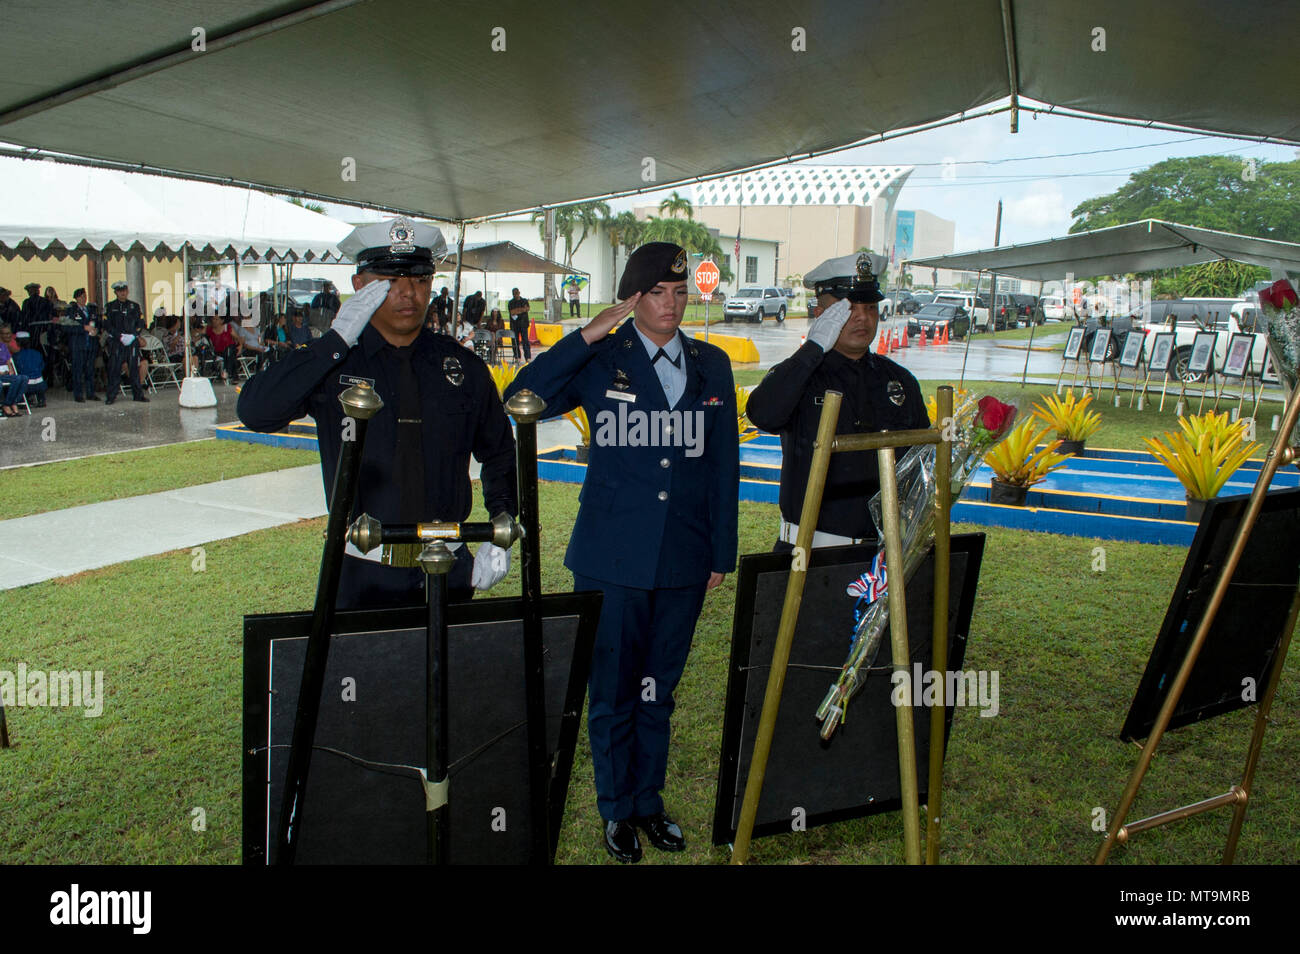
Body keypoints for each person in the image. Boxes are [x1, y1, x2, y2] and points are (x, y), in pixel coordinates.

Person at [505, 241, 738, 863]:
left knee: (658, 689)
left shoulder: (712, 364)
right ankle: (615, 813)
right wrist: (585, 334)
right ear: (632, 299)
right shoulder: (602, 358)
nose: (671, 305)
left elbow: (723, 465)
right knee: (611, 692)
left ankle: (648, 804)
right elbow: (522, 398)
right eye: (657, 294)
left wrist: (722, 550)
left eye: (680, 292)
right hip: (611, 558)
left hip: (685, 558)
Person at [238, 216, 518, 610]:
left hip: (448, 571)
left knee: (454, 672)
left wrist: (500, 524)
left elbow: (500, 452)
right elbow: (255, 411)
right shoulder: (333, 365)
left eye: (420, 279)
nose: (409, 293)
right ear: (360, 285)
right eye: (390, 280)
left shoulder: (460, 367)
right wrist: (335, 340)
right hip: (362, 574)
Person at [747, 253, 928, 551]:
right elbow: (763, 413)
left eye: (870, 307)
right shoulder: (800, 375)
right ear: (821, 314)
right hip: (809, 553)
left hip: (882, 558)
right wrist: (814, 347)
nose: (862, 317)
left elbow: (918, 467)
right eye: (847, 309)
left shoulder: (898, 381)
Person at [103, 280, 148, 404]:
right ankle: (111, 396)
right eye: (119, 291)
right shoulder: (110, 307)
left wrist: (134, 336)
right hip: (117, 341)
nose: (122, 293)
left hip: (132, 341)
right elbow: (107, 325)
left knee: (134, 368)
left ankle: (138, 395)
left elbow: (141, 323)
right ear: (116, 292)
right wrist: (119, 336)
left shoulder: (134, 306)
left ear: (127, 291)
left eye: (124, 290)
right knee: (115, 369)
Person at [64, 288, 99, 402]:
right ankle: (78, 394)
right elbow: (67, 327)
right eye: (81, 297)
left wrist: (96, 330)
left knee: (90, 370)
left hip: (90, 344)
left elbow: (98, 323)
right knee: (78, 370)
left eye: (84, 296)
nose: (83, 299)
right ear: (76, 298)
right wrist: (83, 328)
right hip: (77, 345)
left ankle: (90, 393)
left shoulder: (91, 310)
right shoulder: (71, 311)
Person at [0, 325, 29, 417]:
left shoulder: (2, 346)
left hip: (5, 373)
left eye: (8, 333)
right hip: (1, 373)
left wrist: (11, 369)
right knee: (16, 380)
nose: (7, 336)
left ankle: (12, 402)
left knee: (24, 378)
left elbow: (8, 359)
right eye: (4, 334)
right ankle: (7, 404)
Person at [205, 315, 242, 384]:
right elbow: (199, 332)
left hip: (230, 349)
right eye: (213, 319)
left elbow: (238, 338)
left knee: (229, 350)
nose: (214, 321)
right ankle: (233, 375)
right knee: (230, 355)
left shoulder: (227, 327)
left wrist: (240, 346)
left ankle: (227, 372)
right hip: (218, 352)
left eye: (216, 319)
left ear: (222, 321)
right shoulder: (209, 329)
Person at [507, 287, 532, 361]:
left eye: (516, 293)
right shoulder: (511, 302)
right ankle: (517, 356)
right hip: (514, 325)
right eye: (514, 294)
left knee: (525, 341)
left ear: (519, 293)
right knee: (515, 342)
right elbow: (512, 312)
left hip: (523, 324)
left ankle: (527, 357)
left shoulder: (524, 301)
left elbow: (527, 309)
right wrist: (522, 310)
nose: (515, 295)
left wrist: (518, 310)